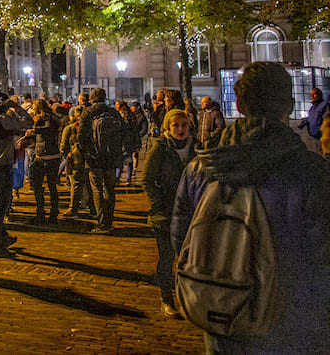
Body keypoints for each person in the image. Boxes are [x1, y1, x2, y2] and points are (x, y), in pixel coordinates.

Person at [172, 62, 330, 352]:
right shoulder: (311, 173)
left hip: (220, 310)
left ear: (240, 105)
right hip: (289, 320)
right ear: (289, 105)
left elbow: (182, 236)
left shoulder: (201, 167)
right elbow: (321, 255)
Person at [141, 108, 195, 317]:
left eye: (183, 125)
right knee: (166, 258)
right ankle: (167, 298)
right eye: (176, 126)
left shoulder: (196, 148)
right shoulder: (161, 148)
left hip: (190, 211)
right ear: (168, 127)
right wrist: (159, 202)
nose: (180, 130)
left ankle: (189, 298)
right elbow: (147, 179)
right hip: (166, 212)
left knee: (191, 258)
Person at [0, 91, 31, 258]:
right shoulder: (4, 120)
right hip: (2, 161)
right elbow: (28, 123)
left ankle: (2, 236)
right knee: (0, 204)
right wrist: (17, 107)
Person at [78, 87, 126, 234]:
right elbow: (124, 132)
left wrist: (86, 153)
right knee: (109, 189)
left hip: (95, 159)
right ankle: (109, 220)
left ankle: (102, 222)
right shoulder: (113, 112)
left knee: (97, 189)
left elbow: (81, 137)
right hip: (111, 158)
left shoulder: (87, 112)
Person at [28, 99, 61, 225]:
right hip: (48, 155)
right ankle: (48, 212)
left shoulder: (47, 118)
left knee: (42, 186)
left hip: (46, 156)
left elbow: (47, 130)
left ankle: (44, 213)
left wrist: (34, 130)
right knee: (49, 186)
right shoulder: (50, 118)